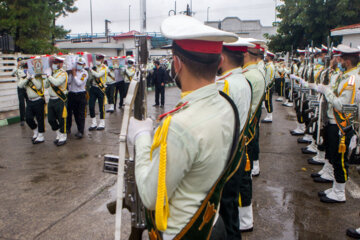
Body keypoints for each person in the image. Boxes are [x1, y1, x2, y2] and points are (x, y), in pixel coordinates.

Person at [127, 15, 239, 240]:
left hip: (183, 233)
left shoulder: (180, 125)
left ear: (176, 64)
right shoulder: (227, 104)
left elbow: (150, 195)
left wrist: (141, 138)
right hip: (212, 223)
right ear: (218, 64)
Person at [313, 44, 360, 203]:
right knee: (334, 155)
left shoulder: (352, 80)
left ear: (347, 61)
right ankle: (335, 187)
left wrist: (327, 92)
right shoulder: (345, 76)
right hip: (334, 122)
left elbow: (342, 105)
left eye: (340, 58)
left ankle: (340, 192)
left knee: (340, 159)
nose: (337, 61)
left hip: (342, 125)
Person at [216, 38, 253, 240]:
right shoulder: (244, 80)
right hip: (238, 153)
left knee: (224, 212)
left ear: (221, 58)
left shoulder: (225, 84)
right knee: (230, 210)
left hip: (226, 157)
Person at [237, 40, 266, 232]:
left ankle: (245, 220)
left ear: (246, 54)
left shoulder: (249, 76)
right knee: (243, 177)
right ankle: (245, 218)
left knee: (241, 179)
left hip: (243, 134)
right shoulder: (256, 73)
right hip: (249, 131)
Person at [18, 57, 46, 144]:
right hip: (30, 101)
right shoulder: (25, 76)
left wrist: (33, 78)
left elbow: (38, 86)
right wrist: (27, 78)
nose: (26, 69)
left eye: (27, 67)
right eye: (25, 67)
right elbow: (20, 85)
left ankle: (41, 136)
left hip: (38, 100)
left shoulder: (37, 75)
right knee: (28, 118)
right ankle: (35, 131)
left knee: (40, 118)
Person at [44, 56, 68, 146]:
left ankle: (63, 136)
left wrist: (49, 76)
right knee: (50, 119)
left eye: (57, 63)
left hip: (60, 99)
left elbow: (57, 83)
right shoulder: (52, 73)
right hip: (51, 99)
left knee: (61, 118)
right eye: (54, 63)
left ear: (61, 64)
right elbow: (46, 86)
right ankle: (58, 134)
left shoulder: (63, 73)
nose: (55, 64)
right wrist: (46, 77)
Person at [66, 57, 89, 139]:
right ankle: (68, 128)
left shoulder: (85, 73)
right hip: (72, 94)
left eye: (80, 64)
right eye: (78, 64)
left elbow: (79, 83)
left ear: (84, 65)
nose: (79, 65)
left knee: (80, 114)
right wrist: (70, 74)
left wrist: (74, 74)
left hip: (81, 94)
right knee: (71, 113)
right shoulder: (73, 72)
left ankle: (80, 131)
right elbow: (68, 82)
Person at [89, 54, 108, 131]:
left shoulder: (104, 67)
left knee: (101, 106)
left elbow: (98, 75)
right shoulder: (94, 67)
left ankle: (102, 123)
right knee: (91, 106)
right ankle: (93, 123)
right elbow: (90, 77)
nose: (98, 60)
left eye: (99, 59)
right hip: (93, 88)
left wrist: (91, 70)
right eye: (97, 59)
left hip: (101, 88)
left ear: (102, 59)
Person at [13, 57, 28, 126]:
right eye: (19, 61)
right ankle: (22, 119)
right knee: (21, 104)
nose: (20, 62)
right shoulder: (17, 69)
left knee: (29, 102)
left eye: (21, 61)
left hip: (26, 87)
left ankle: (29, 116)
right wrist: (17, 66)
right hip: (20, 88)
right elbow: (12, 73)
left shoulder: (25, 68)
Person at [262, 51, 276, 123]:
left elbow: (267, 78)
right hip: (268, 86)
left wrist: (264, 87)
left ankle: (269, 116)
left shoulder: (270, 66)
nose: (266, 57)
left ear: (269, 57)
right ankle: (268, 115)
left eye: (267, 56)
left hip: (268, 87)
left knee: (268, 101)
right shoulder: (268, 65)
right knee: (267, 101)